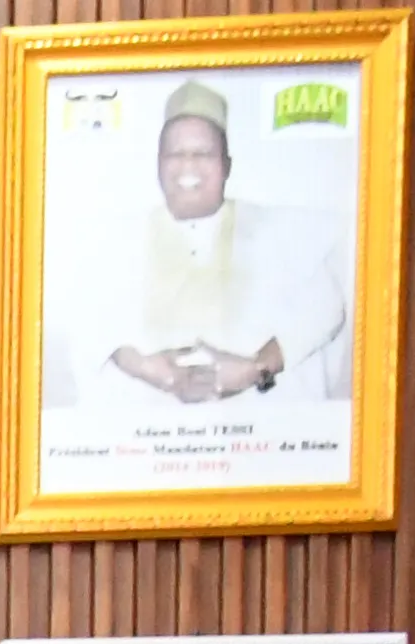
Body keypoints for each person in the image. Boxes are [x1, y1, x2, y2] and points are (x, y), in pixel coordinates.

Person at [89, 79, 352, 418]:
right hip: (147, 442)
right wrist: (153, 370)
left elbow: (325, 307)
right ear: (158, 165)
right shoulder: (118, 240)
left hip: (258, 439)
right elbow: (86, 317)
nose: (189, 166)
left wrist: (256, 368)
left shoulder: (277, 229)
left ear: (227, 166)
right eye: (176, 154)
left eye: (204, 154)